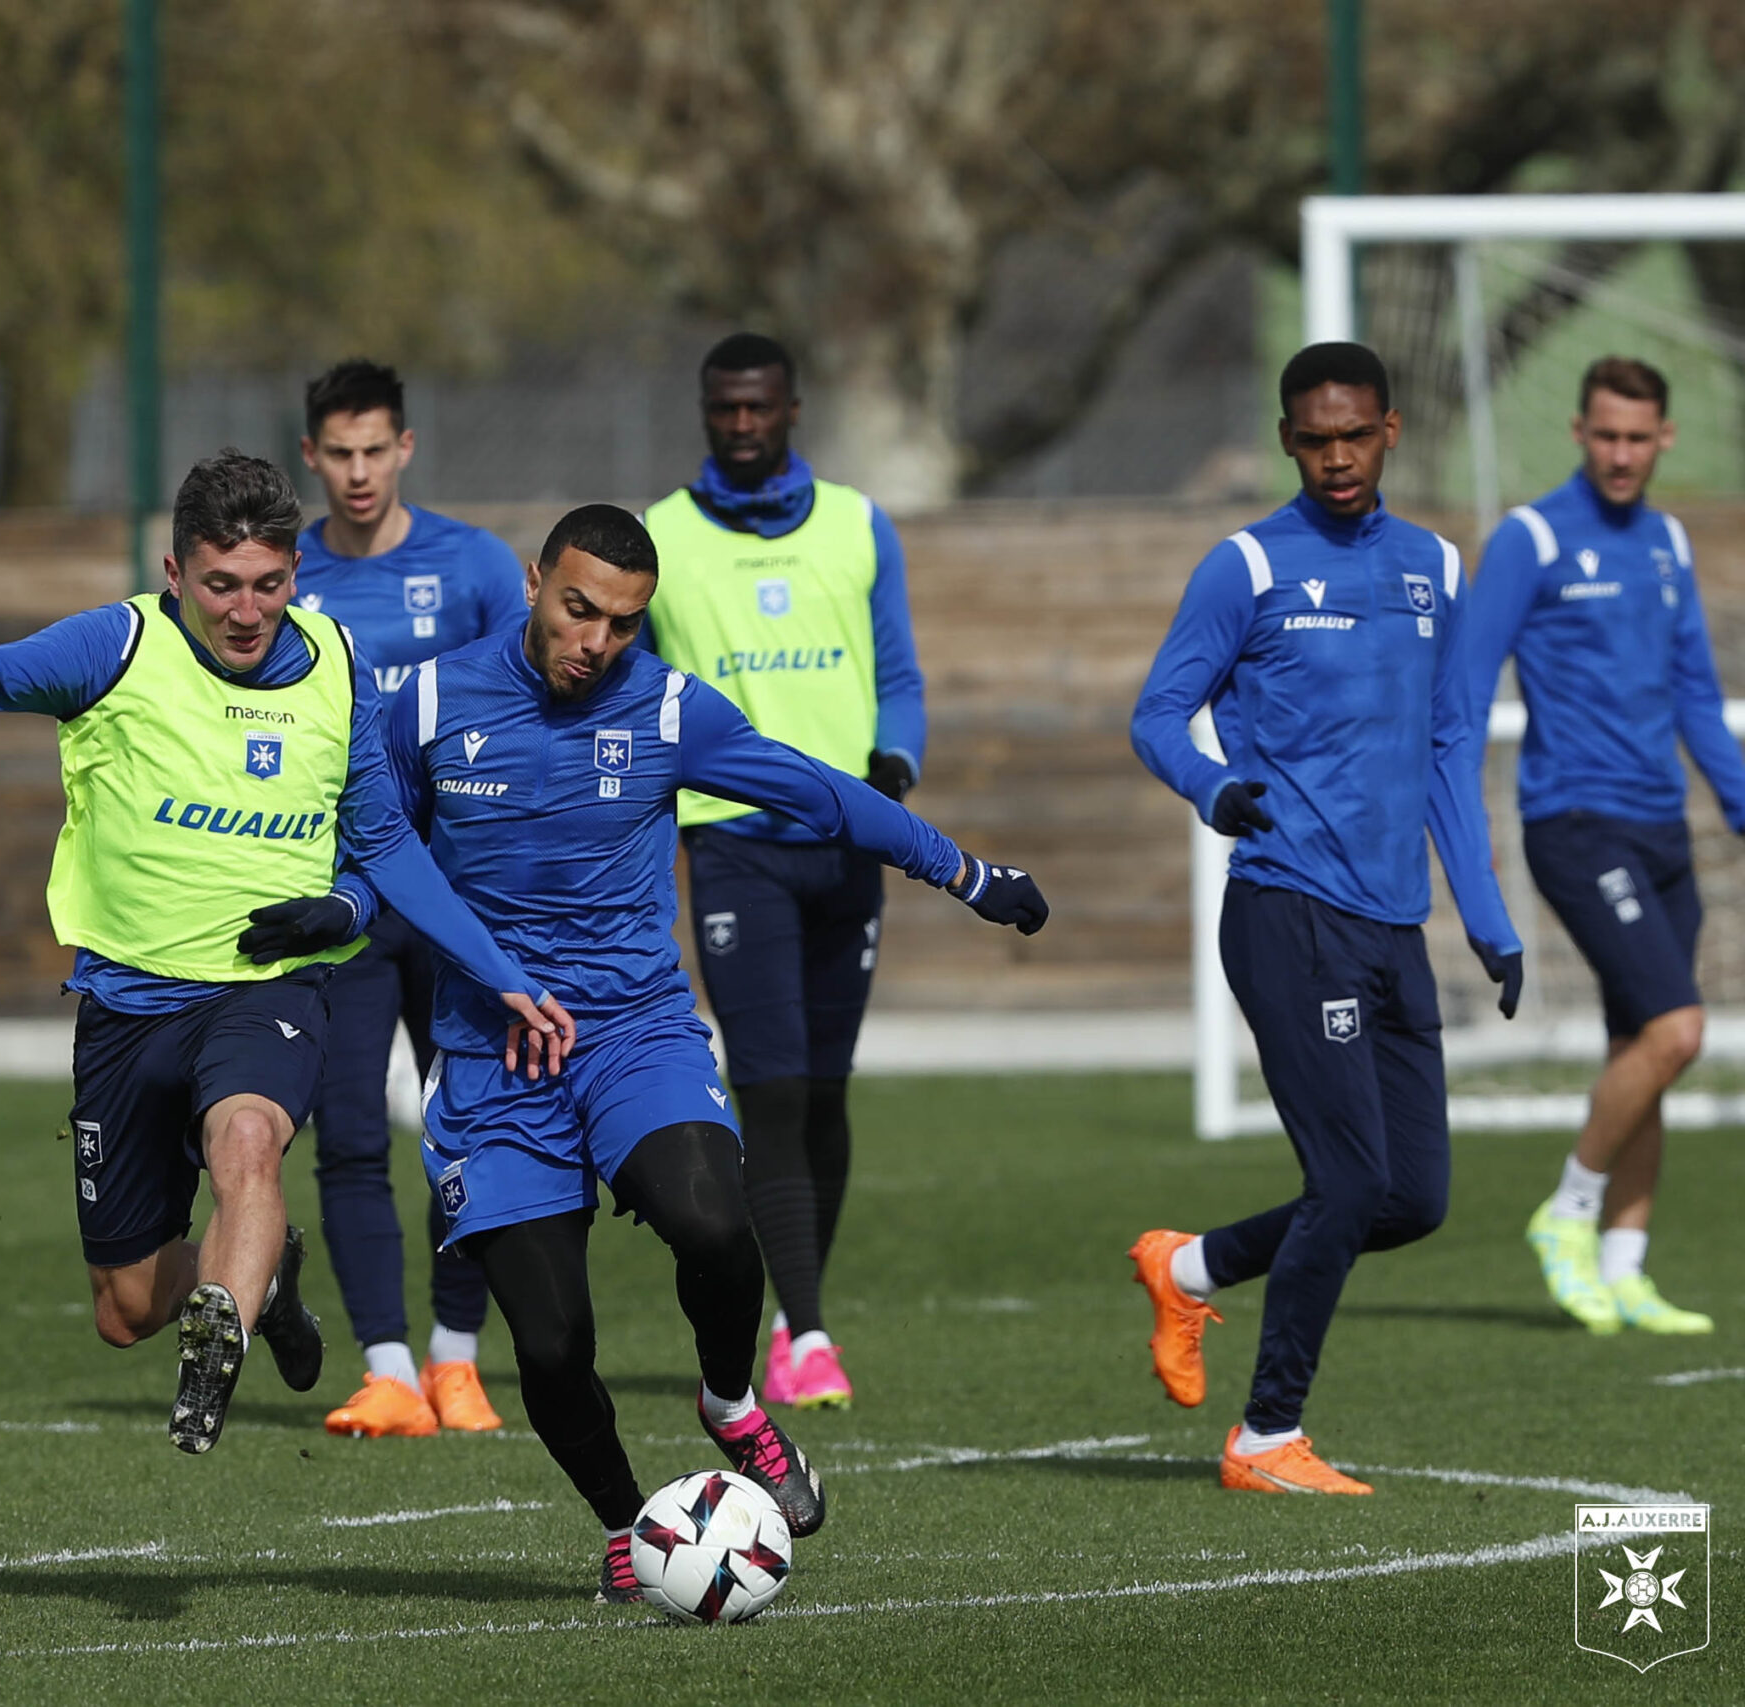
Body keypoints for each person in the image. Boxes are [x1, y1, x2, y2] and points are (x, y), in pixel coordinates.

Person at [378, 503, 1046, 1599]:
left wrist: (962, 873)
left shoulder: (669, 710)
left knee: (713, 1223)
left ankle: (730, 1401)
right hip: (494, 1064)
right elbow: (378, 844)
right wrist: (363, 926)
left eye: (622, 624)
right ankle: (623, 1527)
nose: (593, 643)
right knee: (549, 1348)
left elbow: (820, 791)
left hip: (633, 1032)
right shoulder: (433, 702)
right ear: (535, 580)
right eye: (576, 608)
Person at [0, 449, 570, 1458]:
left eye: (266, 585)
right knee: (123, 1310)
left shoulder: (337, 665)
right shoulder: (114, 648)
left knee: (247, 1145)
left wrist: (491, 970)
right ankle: (264, 1276)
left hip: (265, 992)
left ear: (295, 576)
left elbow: (384, 844)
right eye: (219, 585)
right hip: (125, 1005)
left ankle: (224, 1336)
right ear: (174, 573)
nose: (245, 611)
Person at [1128, 342, 1522, 1496]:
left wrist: (1487, 919)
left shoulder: (1434, 568)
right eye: (1314, 439)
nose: (1336, 457)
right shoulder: (1245, 567)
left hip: (1394, 927)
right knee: (1348, 1184)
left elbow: (1451, 747)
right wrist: (1214, 789)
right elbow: (1157, 716)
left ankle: (1189, 1269)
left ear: (1389, 431)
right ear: (1290, 440)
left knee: (1410, 1200)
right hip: (1287, 911)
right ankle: (1265, 1438)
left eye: (1355, 436)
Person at [639, 332, 926, 1411]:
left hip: (845, 843)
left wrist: (893, 764)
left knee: (821, 1092)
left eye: (759, 408)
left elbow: (897, 673)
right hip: (732, 843)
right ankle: (803, 1333)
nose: (742, 426)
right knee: (765, 1085)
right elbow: (642, 693)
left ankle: (801, 1316)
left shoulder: (857, 526)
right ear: (706, 411)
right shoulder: (662, 536)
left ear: (791, 408)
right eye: (725, 410)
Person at [1466, 355, 1736, 1337]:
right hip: (1575, 826)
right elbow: (1463, 691)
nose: (1621, 454)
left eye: (1638, 438)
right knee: (1677, 1030)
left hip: (1662, 828)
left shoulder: (1664, 540)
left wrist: (1739, 803)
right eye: (1605, 435)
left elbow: (1697, 700)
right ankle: (1566, 1213)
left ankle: (1625, 1268)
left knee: (1643, 1050)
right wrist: (1461, 842)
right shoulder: (1530, 539)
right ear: (1578, 433)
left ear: (1663, 439)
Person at [291, 359, 527, 1439]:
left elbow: (528, 701)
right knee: (347, 1137)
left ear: (406, 449)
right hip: (336, 901)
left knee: (465, 1127)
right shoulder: (282, 575)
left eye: (373, 450)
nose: (356, 473)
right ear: (311, 456)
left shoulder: (474, 567)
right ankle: (386, 1369)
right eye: (336, 454)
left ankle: (456, 1360)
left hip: (455, 892)